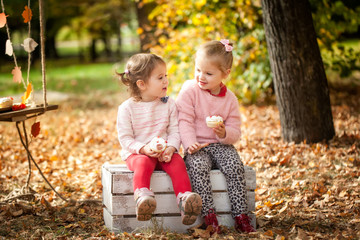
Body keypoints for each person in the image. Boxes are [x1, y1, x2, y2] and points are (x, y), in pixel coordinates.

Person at [176, 40, 255, 233]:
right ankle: (210, 217)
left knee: (234, 166)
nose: (201, 77)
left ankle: (241, 216)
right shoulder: (190, 90)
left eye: (209, 73)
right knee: (197, 167)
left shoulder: (230, 100)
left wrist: (224, 133)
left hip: (220, 145)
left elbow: (235, 130)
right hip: (197, 145)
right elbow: (183, 120)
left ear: (225, 74)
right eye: (198, 70)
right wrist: (189, 143)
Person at [116, 53, 202, 225]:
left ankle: (185, 201)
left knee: (177, 162)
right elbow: (125, 138)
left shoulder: (168, 104)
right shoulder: (127, 108)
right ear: (141, 84)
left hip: (164, 152)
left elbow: (175, 131)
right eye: (160, 78)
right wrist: (143, 149)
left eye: (166, 76)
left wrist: (170, 148)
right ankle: (143, 197)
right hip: (137, 153)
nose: (165, 81)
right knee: (143, 163)